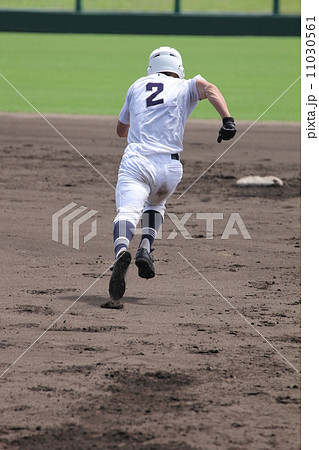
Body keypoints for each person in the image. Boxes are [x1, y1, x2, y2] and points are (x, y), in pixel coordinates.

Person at [108, 46, 236, 302]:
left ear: (151, 68)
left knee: (128, 213)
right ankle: (146, 247)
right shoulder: (188, 85)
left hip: (138, 162)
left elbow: (121, 131)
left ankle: (122, 252)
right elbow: (211, 89)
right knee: (156, 204)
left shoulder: (137, 86)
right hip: (170, 169)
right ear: (178, 69)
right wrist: (227, 120)